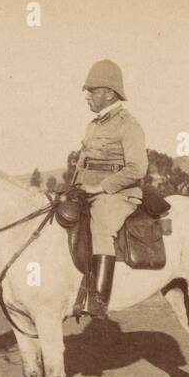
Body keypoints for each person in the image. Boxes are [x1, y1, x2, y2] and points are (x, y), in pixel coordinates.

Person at [72, 59, 148, 319]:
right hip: (88, 191)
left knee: (101, 227)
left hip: (118, 195)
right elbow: (83, 163)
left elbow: (137, 169)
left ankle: (98, 300)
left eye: (92, 91)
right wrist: (72, 189)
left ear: (109, 93)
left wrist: (102, 187)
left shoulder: (129, 125)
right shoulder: (93, 125)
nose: (87, 97)